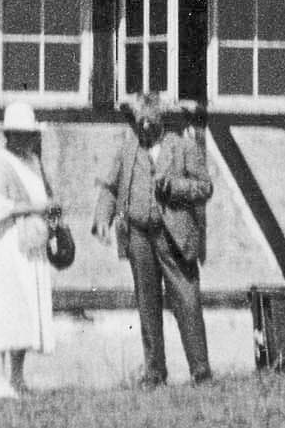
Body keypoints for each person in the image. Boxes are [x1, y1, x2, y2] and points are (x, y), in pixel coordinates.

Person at [92, 93, 214, 387]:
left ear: (161, 121)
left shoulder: (182, 146)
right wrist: (101, 219)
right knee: (147, 303)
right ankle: (154, 372)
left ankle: (200, 371)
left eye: (150, 123)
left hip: (173, 234)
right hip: (138, 235)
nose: (144, 128)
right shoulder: (128, 146)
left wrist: (175, 187)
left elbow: (205, 187)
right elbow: (110, 185)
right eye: (140, 122)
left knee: (186, 299)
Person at [0, 101, 59, 398]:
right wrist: (35, 206)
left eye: (30, 134)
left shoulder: (33, 161)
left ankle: (17, 378)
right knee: (7, 308)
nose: (26, 139)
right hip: (9, 244)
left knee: (28, 309)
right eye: (20, 133)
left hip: (32, 241)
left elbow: (45, 196)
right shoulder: (2, 162)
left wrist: (51, 212)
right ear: (10, 135)